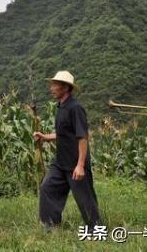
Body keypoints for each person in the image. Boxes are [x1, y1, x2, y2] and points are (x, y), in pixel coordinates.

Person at [33, 70, 100, 231]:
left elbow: (82, 137)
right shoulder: (61, 107)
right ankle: (50, 226)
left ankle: (96, 230)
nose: (51, 88)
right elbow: (63, 133)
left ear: (65, 88)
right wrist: (45, 136)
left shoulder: (75, 108)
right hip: (61, 162)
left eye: (55, 85)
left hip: (75, 163)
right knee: (47, 187)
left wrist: (80, 165)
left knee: (85, 200)